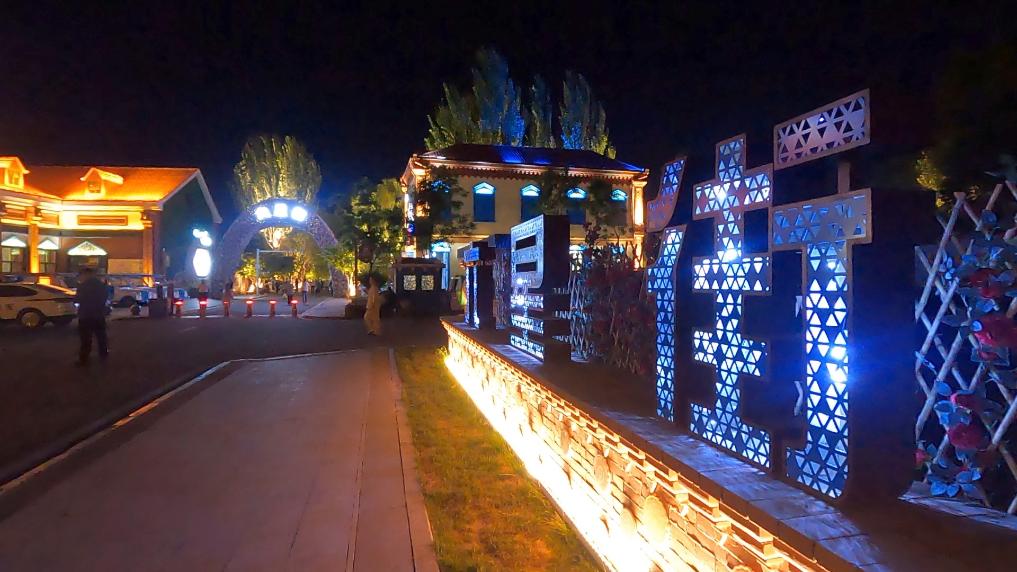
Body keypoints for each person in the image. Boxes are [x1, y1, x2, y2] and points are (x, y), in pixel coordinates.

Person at [74, 267, 109, 365]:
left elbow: (78, 299)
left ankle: (84, 358)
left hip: (86, 314)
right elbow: (105, 296)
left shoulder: (83, 286)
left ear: (85, 274)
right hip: (98, 314)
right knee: (101, 335)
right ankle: (103, 353)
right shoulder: (100, 285)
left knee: (86, 338)